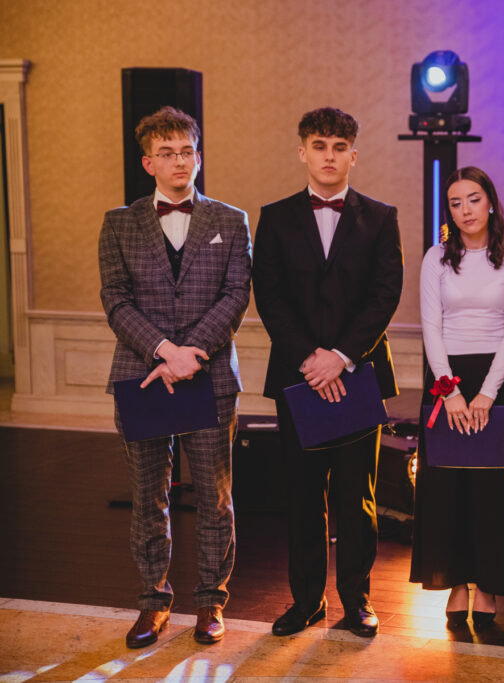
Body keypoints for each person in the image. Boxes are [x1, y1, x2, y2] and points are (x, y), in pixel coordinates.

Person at [99, 106, 252, 647]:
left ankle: (210, 602)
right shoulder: (118, 223)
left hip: (208, 378)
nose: (179, 161)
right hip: (141, 376)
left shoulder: (231, 220)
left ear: (199, 157)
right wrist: (164, 351)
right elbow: (115, 300)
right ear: (148, 163)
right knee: (149, 497)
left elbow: (236, 295)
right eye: (167, 153)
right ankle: (152, 602)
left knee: (214, 497)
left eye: (187, 151)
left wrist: (191, 354)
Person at [252, 107, 403, 639]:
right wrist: (310, 359)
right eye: (319, 146)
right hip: (298, 377)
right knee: (302, 494)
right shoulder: (274, 217)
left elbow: (385, 295)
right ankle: (306, 601)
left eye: (340, 147)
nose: (329, 156)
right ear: (303, 152)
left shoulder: (381, 217)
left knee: (357, 497)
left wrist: (340, 356)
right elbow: (269, 296)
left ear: (353, 155)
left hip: (358, 375)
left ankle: (357, 601)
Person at [410, 166, 504, 629]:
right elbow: (431, 327)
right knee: (448, 489)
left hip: (494, 381)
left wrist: (486, 394)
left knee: (491, 491)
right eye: (456, 203)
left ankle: (489, 586)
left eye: (473, 199)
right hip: (448, 380)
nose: (465, 210)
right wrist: (451, 391)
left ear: (491, 203)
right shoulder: (436, 258)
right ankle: (457, 584)